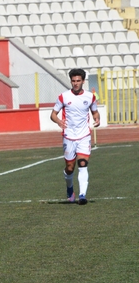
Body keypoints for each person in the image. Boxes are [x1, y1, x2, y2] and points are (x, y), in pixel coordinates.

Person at [50, 68, 100, 205]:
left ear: (83, 81)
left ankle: (82, 195)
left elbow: (95, 112)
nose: (76, 83)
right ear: (71, 81)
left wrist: (97, 119)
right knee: (70, 168)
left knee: (83, 163)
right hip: (69, 136)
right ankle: (69, 188)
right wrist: (58, 121)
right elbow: (53, 114)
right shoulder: (63, 96)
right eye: (73, 81)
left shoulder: (90, 96)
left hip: (84, 135)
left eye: (78, 81)